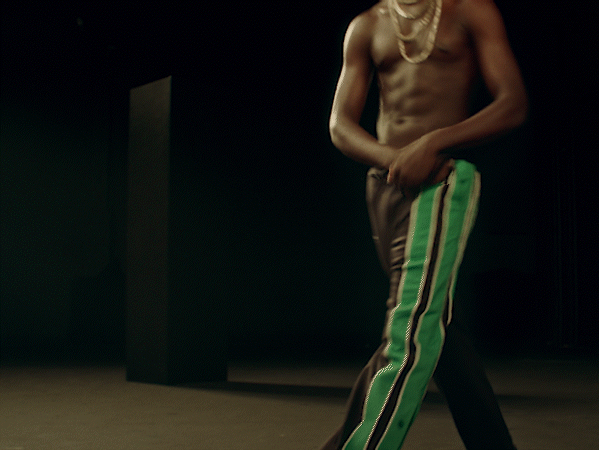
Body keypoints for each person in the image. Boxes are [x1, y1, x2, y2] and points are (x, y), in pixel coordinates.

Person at [321, 0, 528, 449]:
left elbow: (512, 104)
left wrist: (431, 144)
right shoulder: (366, 25)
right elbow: (340, 125)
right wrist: (394, 159)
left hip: (439, 183)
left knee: (410, 330)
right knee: (437, 328)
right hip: (384, 186)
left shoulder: (470, 10)